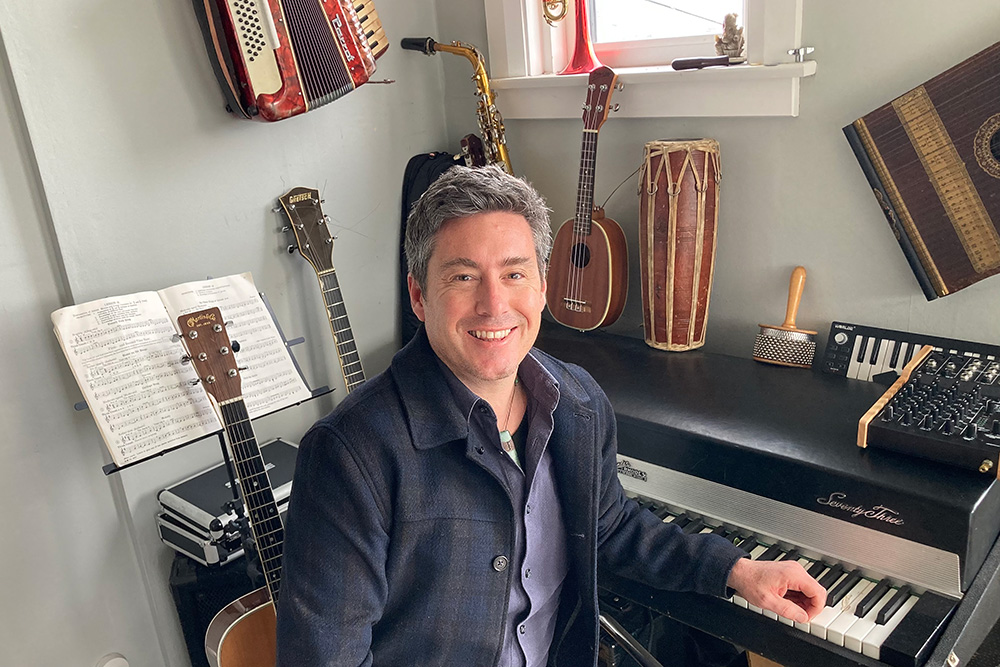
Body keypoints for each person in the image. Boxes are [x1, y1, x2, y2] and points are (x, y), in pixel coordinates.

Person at [275, 165, 827, 667]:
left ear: (542, 288)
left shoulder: (578, 400)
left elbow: (609, 525)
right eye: (463, 277)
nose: (494, 305)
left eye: (514, 275)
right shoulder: (350, 452)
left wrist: (736, 570)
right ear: (420, 297)